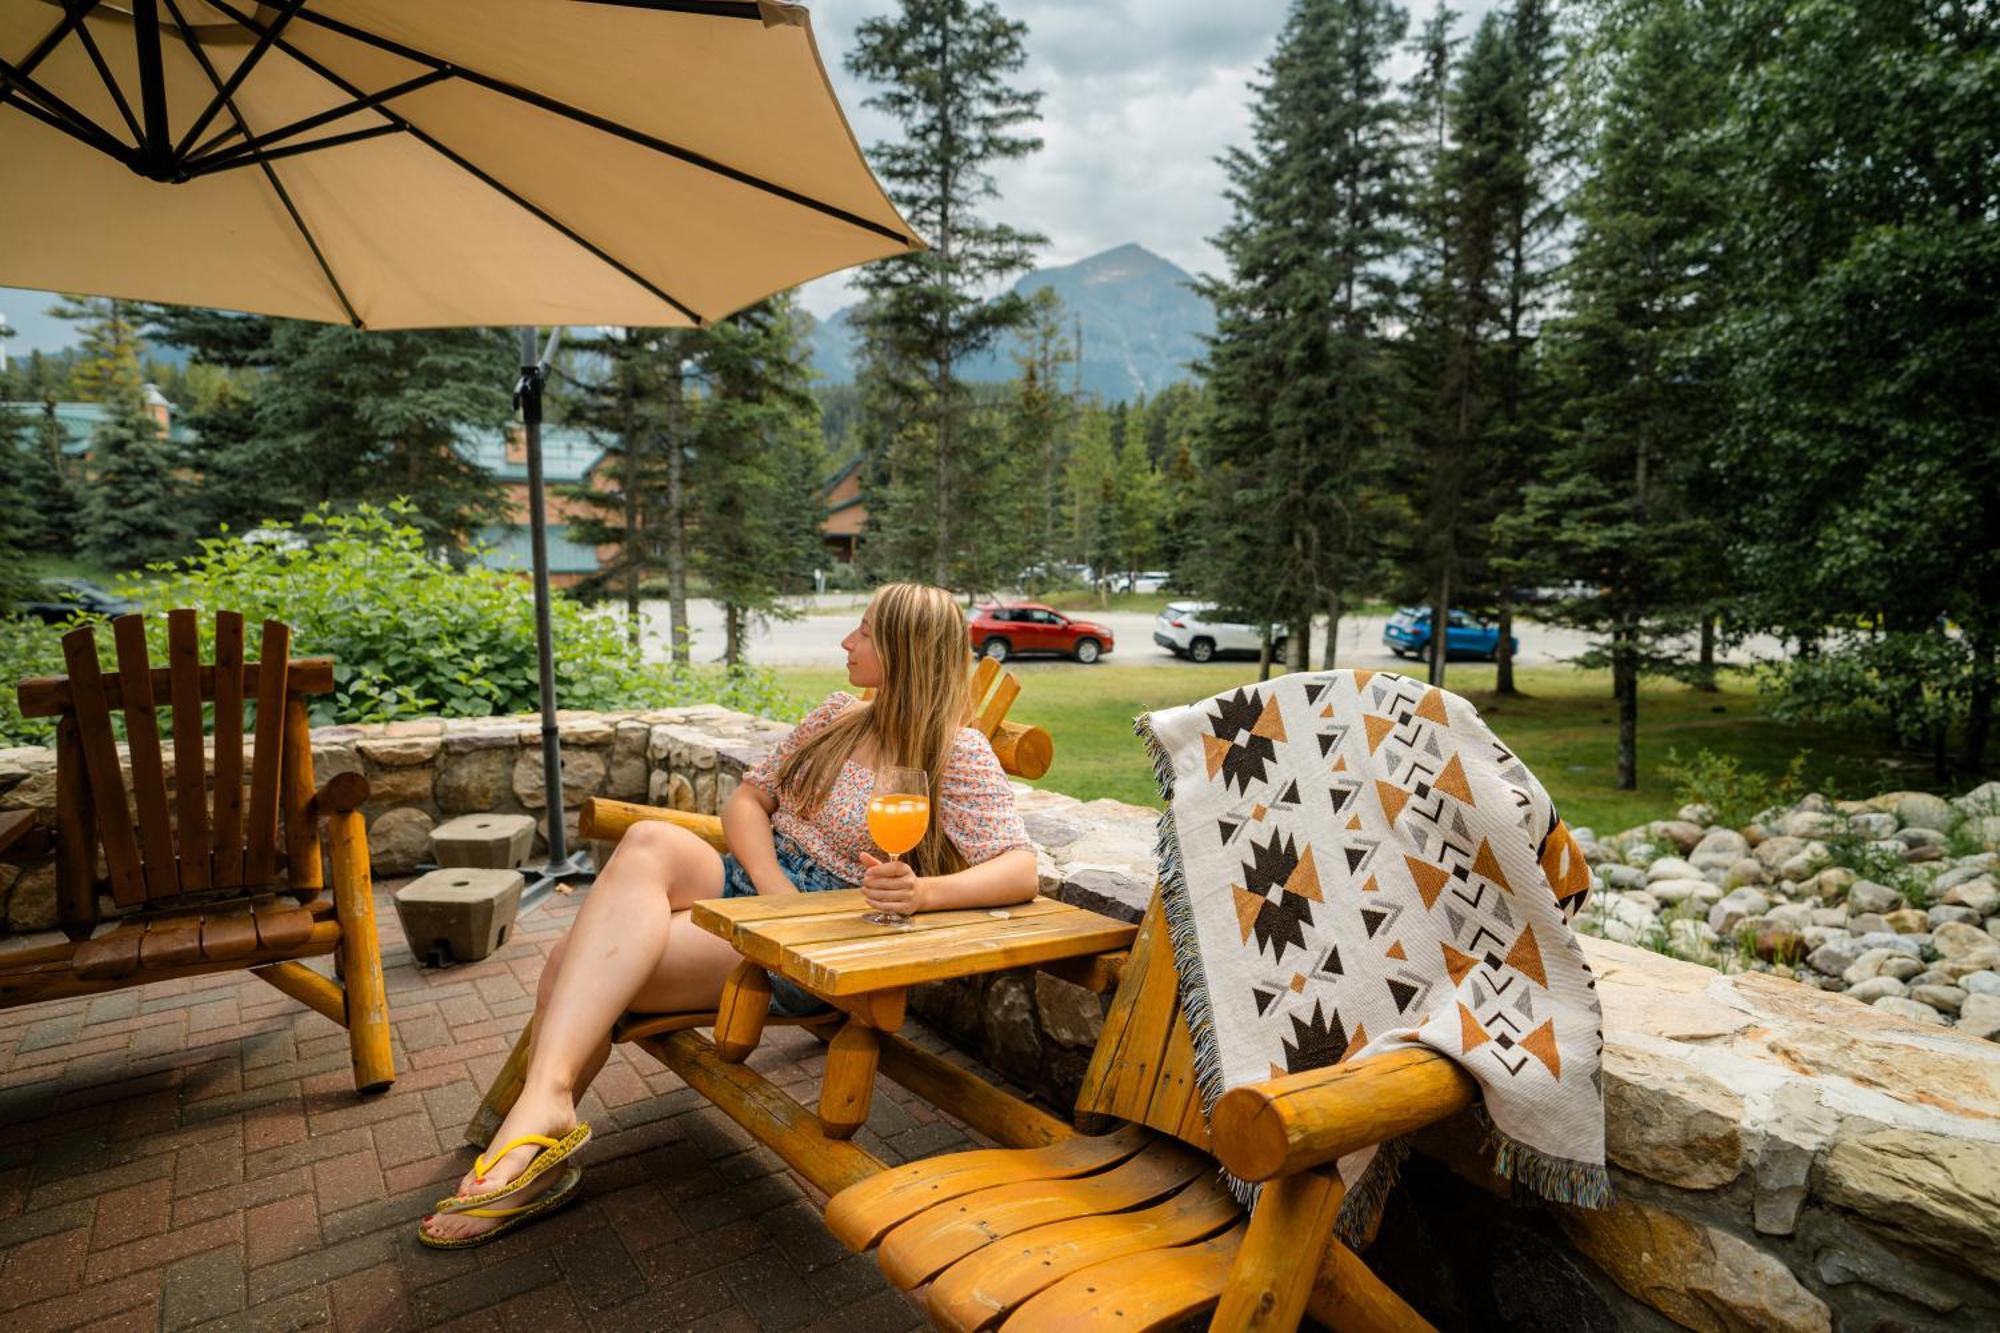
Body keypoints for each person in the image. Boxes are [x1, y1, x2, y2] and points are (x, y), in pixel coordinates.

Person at [420, 582, 1038, 1245]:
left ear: (906, 650)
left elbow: (1019, 868)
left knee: (573, 960)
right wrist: (772, 889)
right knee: (650, 839)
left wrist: (921, 894)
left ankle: (539, 1132)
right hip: (762, 881)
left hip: (825, 930)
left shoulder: (956, 751)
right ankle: (546, 1107)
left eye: (862, 632)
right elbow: (748, 802)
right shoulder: (838, 713)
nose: (846, 642)